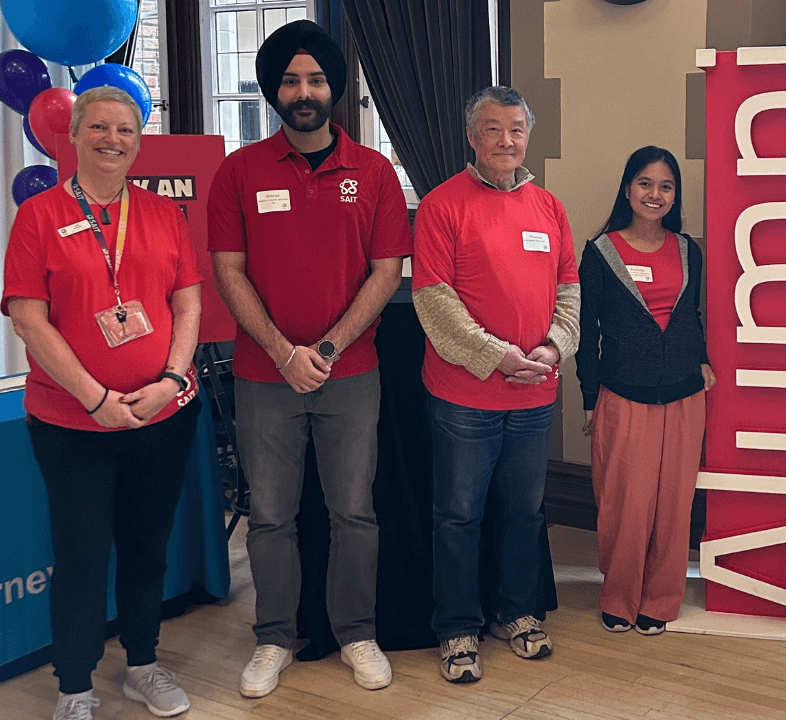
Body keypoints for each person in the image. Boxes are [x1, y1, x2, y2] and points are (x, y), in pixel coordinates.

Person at [207, 19, 408, 698]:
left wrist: (321, 350)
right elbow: (229, 272)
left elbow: (385, 273)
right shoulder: (239, 171)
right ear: (272, 90)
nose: (303, 91)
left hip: (350, 374)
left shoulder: (374, 172)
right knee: (270, 516)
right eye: (290, 80)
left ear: (334, 89)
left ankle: (356, 632)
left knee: (354, 511)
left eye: (315, 79)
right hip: (264, 377)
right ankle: (274, 638)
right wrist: (282, 351)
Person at [3, 86, 202, 720]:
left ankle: (142, 663)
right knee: (83, 553)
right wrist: (95, 400)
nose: (113, 138)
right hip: (71, 423)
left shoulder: (163, 214)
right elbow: (30, 321)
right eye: (100, 127)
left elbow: (187, 302)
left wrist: (172, 379)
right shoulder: (37, 216)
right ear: (76, 135)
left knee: (147, 546)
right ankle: (75, 688)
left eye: (126, 129)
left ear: (139, 141)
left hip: (161, 416)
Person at [412, 85, 580, 684]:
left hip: (535, 393)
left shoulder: (549, 208)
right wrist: (499, 356)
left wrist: (553, 346)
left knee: (525, 511)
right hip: (465, 398)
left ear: (527, 136)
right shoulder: (441, 206)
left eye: (515, 129)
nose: (505, 140)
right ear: (471, 137)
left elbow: (569, 292)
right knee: (458, 515)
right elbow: (434, 303)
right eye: (492, 129)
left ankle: (517, 612)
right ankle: (457, 627)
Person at [576, 146, 715, 636]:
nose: (655, 195)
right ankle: (618, 594)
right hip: (622, 395)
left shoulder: (687, 249)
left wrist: (700, 360)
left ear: (674, 196)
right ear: (628, 189)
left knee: (674, 504)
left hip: (683, 395)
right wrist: (590, 397)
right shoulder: (600, 253)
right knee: (624, 503)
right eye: (645, 184)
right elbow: (583, 332)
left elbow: (692, 318)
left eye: (666, 186)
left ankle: (660, 597)